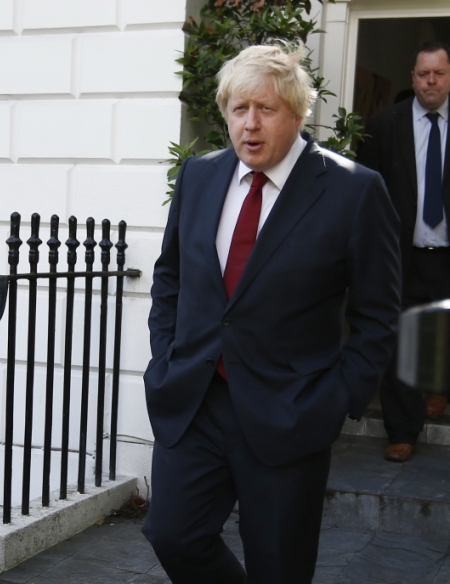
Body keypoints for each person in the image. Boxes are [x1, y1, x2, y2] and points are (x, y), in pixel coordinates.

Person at [142, 42, 401, 583]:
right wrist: (164, 358)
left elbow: (379, 314)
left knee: (279, 567)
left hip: (291, 410)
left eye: (267, 109)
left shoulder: (354, 191)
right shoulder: (199, 177)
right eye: (240, 109)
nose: (251, 124)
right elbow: (170, 277)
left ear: (298, 113)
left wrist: (337, 399)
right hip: (195, 398)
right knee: (173, 536)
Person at [357, 40, 450, 463]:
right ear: (413, 78)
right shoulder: (383, 125)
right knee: (399, 344)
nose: (431, 80)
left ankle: (439, 388)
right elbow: (368, 197)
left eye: (439, 73)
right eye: (423, 73)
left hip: (446, 256)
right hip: (401, 256)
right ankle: (402, 430)